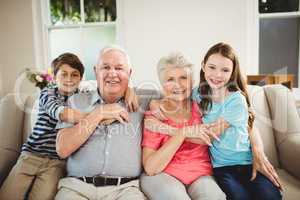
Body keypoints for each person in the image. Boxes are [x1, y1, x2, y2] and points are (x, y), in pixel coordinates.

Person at [147, 43, 282, 200]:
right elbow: (174, 94)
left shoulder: (236, 100)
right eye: (212, 67)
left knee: (271, 196)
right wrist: (154, 103)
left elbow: (209, 136)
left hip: (247, 162)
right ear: (204, 66)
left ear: (232, 72)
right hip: (222, 167)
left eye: (225, 70)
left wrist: (165, 129)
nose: (217, 75)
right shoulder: (198, 94)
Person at [54, 45, 150, 200]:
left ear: (129, 73)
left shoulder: (145, 101)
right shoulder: (77, 101)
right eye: (105, 67)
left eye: (119, 68)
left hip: (125, 190)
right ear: (95, 71)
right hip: (77, 188)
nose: (112, 73)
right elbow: (62, 149)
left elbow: (178, 92)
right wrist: (98, 113)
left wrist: (129, 87)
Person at [140, 52, 226, 200]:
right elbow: (151, 167)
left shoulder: (203, 107)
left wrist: (179, 132)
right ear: (161, 84)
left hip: (201, 175)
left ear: (192, 81)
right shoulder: (155, 114)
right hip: (163, 174)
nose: (177, 85)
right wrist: (182, 133)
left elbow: (239, 111)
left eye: (183, 78)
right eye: (170, 79)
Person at [0, 53, 86, 200]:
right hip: (31, 155)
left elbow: (102, 96)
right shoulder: (48, 93)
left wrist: (128, 92)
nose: (69, 79)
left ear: (81, 78)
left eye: (75, 75)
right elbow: (61, 113)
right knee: (8, 195)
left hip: (56, 164)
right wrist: (93, 118)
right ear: (54, 76)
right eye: (64, 74)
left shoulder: (82, 98)